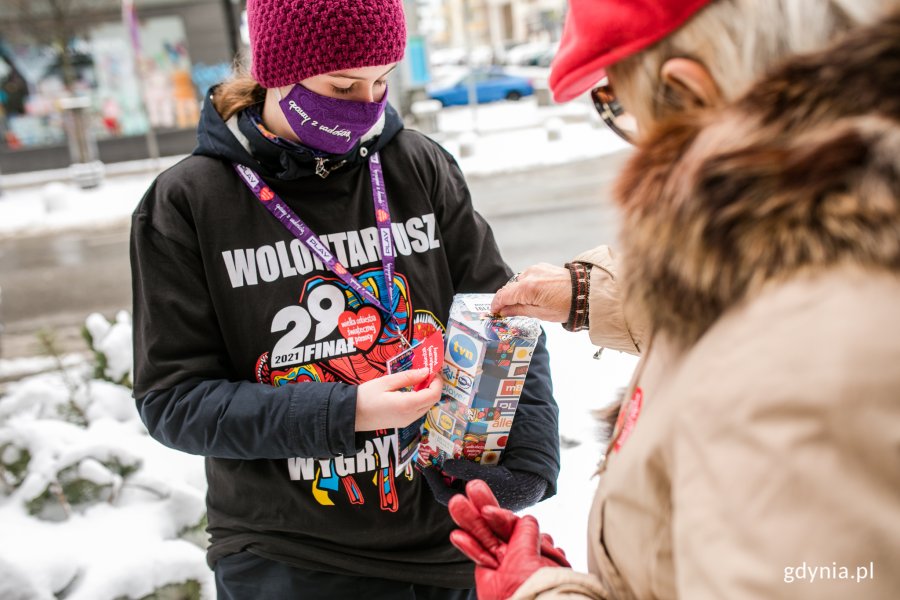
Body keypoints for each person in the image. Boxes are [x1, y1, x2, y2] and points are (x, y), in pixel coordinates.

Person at [451, 0, 900, 598]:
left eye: (618, 107)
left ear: (689, 95)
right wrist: (586, 294)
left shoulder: (794, 376)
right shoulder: (818, 259)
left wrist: (542, 592)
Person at [129, 0, 560, 598]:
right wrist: (346, 411)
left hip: (447, 545)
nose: (368, 104)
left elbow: (506, 318)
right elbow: (172, 400)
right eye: (343, 85)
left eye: (382, 80)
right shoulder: (187, 203)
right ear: (276, 68)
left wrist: (530, 465)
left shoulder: (418, 165)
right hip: (292, 555)